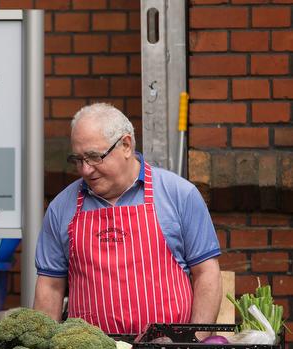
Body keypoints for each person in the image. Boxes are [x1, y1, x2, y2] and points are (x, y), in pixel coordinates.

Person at [33, 103, 222, 334]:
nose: (85, 170)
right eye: (78, 159)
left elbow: (207, 274)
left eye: (94, 157)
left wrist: (193, 346)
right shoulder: (61, 208)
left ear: (125, 145)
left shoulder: (180, 195)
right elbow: (50, 287)